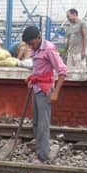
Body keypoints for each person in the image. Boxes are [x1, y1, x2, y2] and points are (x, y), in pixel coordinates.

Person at [22, 25, 67, 163]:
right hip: (36, 88)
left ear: (39, 37)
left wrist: (55, 93)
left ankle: (43, 155)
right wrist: (33, 77)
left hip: (45, 90)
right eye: (29, 45)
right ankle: (40, 148)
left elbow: (62, 71)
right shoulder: (35, 48)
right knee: (36, 122)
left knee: (43, 124)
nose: (31, 47)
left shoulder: (49, 49)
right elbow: (38, 68)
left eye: (32, 44)